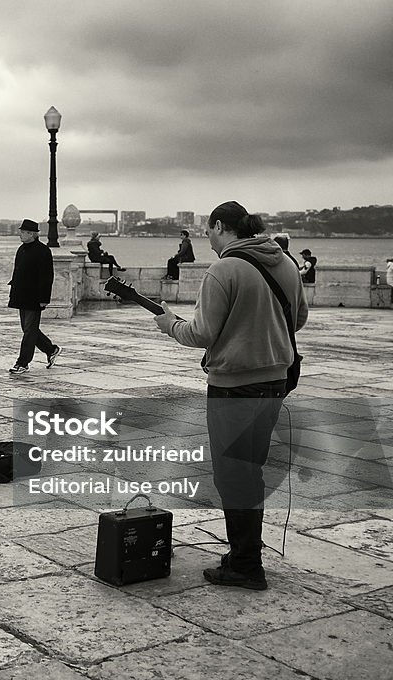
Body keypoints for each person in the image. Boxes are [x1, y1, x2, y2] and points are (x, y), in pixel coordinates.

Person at [154, 201, 307, 591]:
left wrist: (169, 324)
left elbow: (200, 334)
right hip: (275, 382)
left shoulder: (224, 269)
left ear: (220, 226)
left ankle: (244, 565)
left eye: (208, 231)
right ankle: (244, 553)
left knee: (232, 474)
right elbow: (300, 318)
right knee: (249, 468)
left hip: (234, 387)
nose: (207, 240)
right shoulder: (285, 262)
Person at [7, 219, 60, 374]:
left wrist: (44, 299)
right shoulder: (21, 249)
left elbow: (47, 277)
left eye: (23, 232)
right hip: (21, 295)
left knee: (29, 330)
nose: (20, 235)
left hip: (35, 297)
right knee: (28, 329)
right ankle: (51, 349)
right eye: (21, 232)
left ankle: (22, 363)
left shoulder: (43, 251)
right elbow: (16, 273)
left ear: (32, 234)